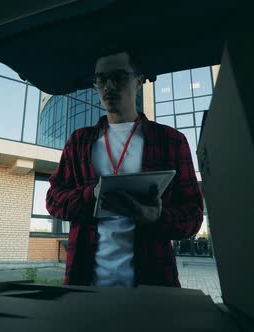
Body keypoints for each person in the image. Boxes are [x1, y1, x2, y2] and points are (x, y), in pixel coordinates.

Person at [46, 49, 204, 287]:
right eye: (101, 79)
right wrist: (91, 194)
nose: (108, 86)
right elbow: (53, 201)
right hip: (85, 282)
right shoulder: (79, 141)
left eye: (119, 77)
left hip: (152, 283)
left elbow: (193, 215)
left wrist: (157, 217)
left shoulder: (171, 141)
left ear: (139, 81)